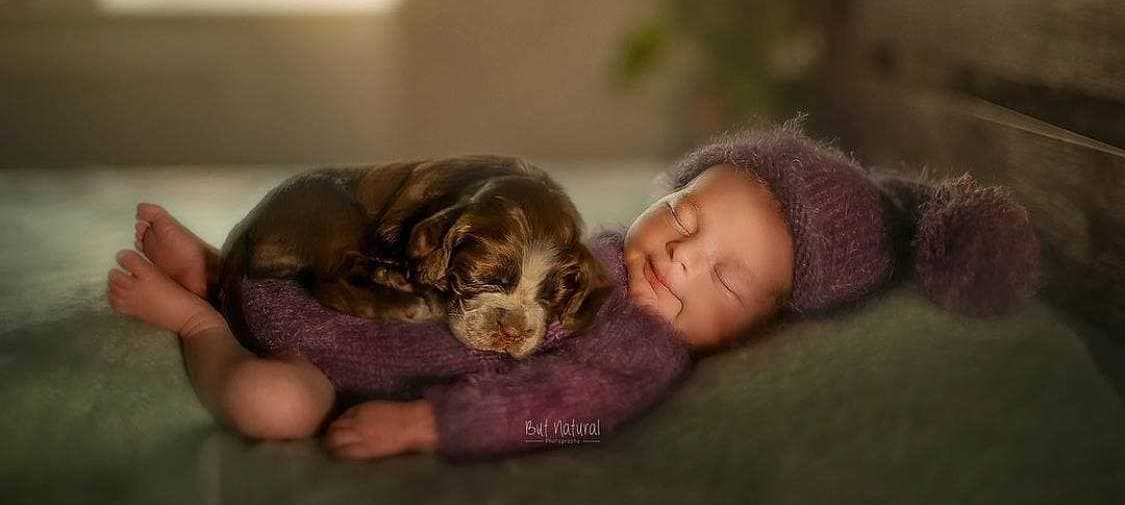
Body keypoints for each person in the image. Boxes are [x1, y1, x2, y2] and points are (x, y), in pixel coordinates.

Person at [106, 116, 1040, 461]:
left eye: (723, 277)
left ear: (757, 330)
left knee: (273, 406)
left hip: (331, 367)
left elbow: (565, 411)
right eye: (682, 213)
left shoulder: (642, 349)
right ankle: (233, 271)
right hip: (345, 286)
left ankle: (202, 319)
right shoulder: (588, 243)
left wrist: (433, 424)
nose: (676, 255)